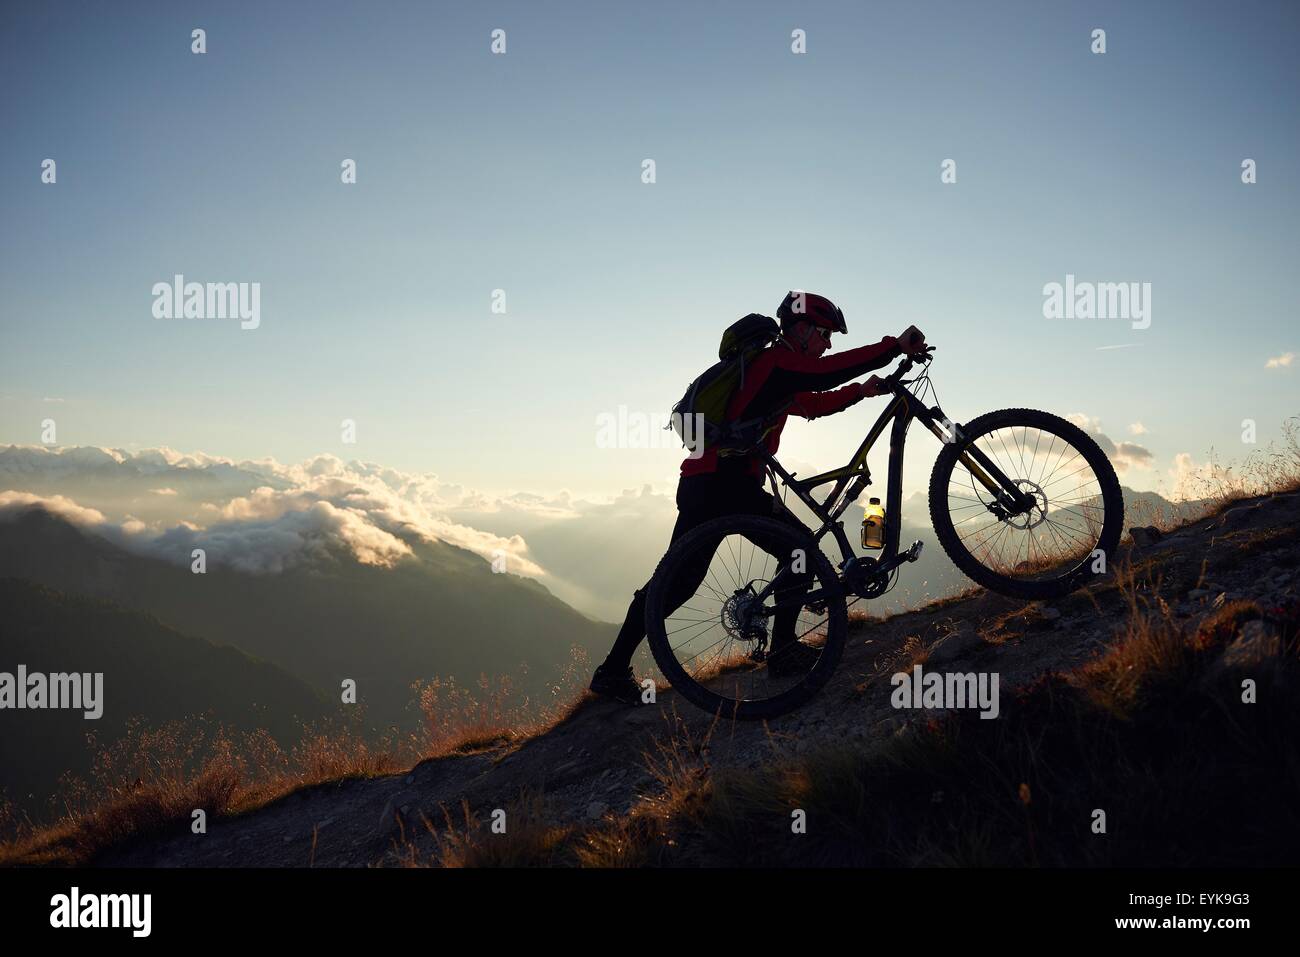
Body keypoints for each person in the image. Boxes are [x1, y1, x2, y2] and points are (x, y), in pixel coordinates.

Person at [589, 291, 928, 703]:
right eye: (824, 334)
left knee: (681, 582)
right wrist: (892, 348)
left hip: (714, 483)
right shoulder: (776, 362)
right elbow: (826, 375)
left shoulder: (773, 372)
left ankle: (612, 670)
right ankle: (781, 654)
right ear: (801, 330)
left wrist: (864, 391)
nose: (827, 343)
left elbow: (813, 403)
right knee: (792, 554)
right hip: (724, 485)